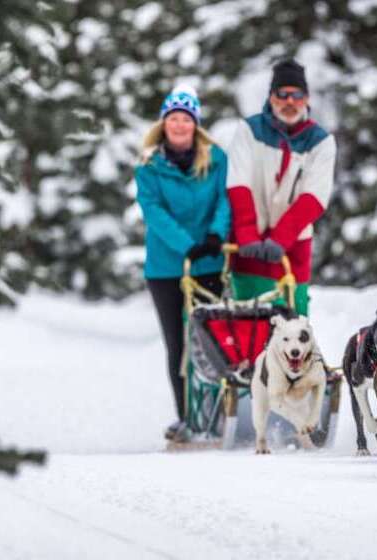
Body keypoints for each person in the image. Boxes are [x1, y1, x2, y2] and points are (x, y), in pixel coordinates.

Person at [135, 85, 230, 442]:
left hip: (209, 261)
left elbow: (225, 201)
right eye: (173, 119)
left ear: (195, 124)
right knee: (178, 344)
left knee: (213, 340)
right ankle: (186, 415)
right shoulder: (149, 166)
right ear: (164, 124)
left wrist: (215, 236)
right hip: (167, 268)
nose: (179, 125)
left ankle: (220, 412)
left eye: (185, 119)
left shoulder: (217, 159)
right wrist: (187, 245)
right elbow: (153, 212)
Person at [226, 59, 336, 316]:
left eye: (296, 95)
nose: (289, 102)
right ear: (271, 97)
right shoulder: (249, 130)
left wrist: (281, 237)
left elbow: (314, 197)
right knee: (248, 325)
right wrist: (246, 232)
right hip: (249, 246)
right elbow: (238, 182)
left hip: (292, 249)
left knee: (293, 328)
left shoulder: (320, 142)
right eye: (282, 94)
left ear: (306, 98)